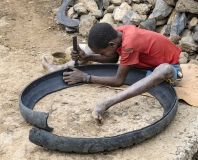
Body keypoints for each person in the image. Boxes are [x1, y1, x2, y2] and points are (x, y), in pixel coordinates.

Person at [42, 22, 182, 124]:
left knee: (165, 69)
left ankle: (104, 104)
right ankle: (60, 68)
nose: (101, 55)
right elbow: (114, 57)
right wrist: (87, 57)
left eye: (102, 53)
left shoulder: (129, 45)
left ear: (112, 45)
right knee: (90, 49)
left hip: (169, 67)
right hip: (144, 65)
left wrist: (86, 77)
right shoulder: (118, 33)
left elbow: (118, 80)